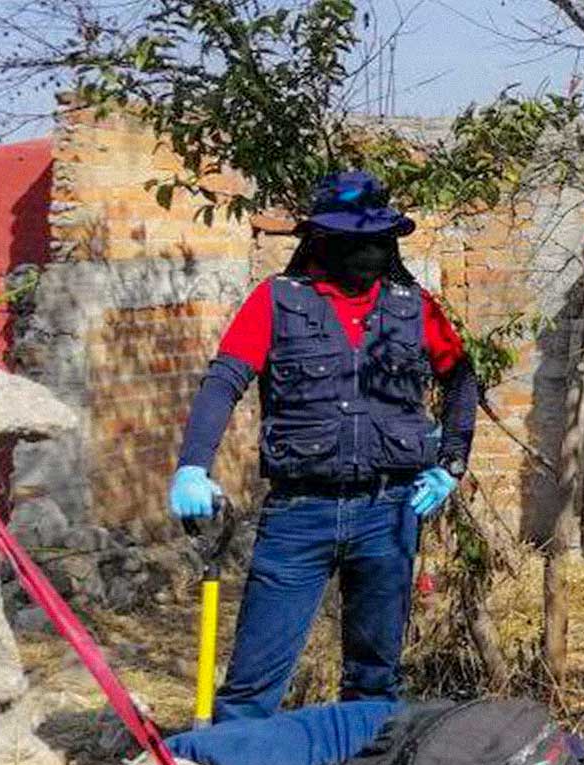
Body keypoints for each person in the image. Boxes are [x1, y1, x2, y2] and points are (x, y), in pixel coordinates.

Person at [167, 171, 477, 721]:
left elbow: (460, 379)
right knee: (252, 685)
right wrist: (193, 466)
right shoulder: (277, 300)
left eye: (376, 240)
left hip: (388, 511)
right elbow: (224, 381)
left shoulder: (413, 306)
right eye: (352, 240)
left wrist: (452, 463)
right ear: (322, 239)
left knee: (374, 680)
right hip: (298, 514)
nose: (366, 252)